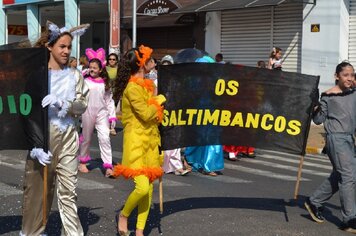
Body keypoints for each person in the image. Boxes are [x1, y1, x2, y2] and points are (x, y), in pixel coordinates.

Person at [20, 21, 90, 236]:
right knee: (37, 191)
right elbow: (25, 111)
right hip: (43, 137)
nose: (66, 51)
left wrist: (64, 104)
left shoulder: (75, 75)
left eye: (69, 47)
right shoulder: (37, 75)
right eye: (62, 46)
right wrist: (34, 145)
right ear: (50, 47)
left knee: (69, 191)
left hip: (68, 137)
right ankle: (32, 232)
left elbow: (82, 104)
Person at [112, 45, 166, 236]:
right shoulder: (132, 88)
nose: (152, 62)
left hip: (151, 139)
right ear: (141, 65)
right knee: (142, 187)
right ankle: (124, 215)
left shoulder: (148, 86)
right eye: (149, 59)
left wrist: (156, 102)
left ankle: (140, 231)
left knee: (149, 188)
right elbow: (145, 113)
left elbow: (155, 117)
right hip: (136, 141)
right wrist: (158, 101)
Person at [304, 61, 356, 233]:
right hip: (336, 139)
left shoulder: (353, 92)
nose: (349, 78)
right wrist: (315, 107)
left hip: (349, 139)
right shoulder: (328, 96)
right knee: (348, 176)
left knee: (340, 175)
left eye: (352, 75)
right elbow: (318, 120)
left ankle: (314, 202)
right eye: (346, 75)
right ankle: (349, 219)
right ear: (336, 76)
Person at [77, 48, 116, 177]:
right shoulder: (85, 79)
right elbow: (76, 80)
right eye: (90, 67)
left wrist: (112, 117)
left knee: (105, 138)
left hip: (101, 113)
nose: (92, 69)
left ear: (100, 69)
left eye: (95, 67)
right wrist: (84, 72)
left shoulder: (105, 84)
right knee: (86, 138)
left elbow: (109, 101)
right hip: (87, 112)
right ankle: (82, 162)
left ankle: (108, 166)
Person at [184, 55, 224, 176]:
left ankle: (209, 165)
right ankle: (192, 159)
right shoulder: (193, 80)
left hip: (213, 111)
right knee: (198, 137)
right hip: (199, 111)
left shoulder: (215, 79)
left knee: (213, 137)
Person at [160, 55, 190, 176]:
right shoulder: (157, 81)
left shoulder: (177, 82)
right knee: (165, 141)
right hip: (162, 113)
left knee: (175, 140)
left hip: (175, 113)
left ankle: (178, 166)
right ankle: (165, 165)